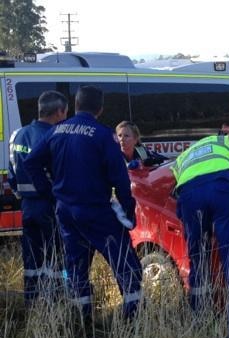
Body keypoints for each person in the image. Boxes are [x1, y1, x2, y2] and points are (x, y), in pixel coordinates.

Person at [24, 85, 143, 321]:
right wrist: (129, 211)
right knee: (126, 265)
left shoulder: (56, 131)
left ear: (75, 105)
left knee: (77, 266)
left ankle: (82, 318)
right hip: (96, 211)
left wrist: (50, 192)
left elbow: (31, 162)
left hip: (66, 212)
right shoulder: (102, 134)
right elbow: (119, 177)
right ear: (99, 109)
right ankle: (133, 319)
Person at [171, 133, 229, 338]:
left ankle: (199, 324)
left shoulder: (184, 156)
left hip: (189, 196)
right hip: (222, 190)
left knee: (198, 260)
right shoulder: (225, 142)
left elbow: (179, 206)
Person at [8, 90, 68, 306]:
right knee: (56, 257)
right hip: (49, 205)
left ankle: (32, 301)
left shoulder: (17, 135)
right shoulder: (55, 136)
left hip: (26, 206)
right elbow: (60, 174)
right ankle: (57, 301)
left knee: (31, 259)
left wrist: (22, 195)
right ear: (60, 112)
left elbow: (12, 173)